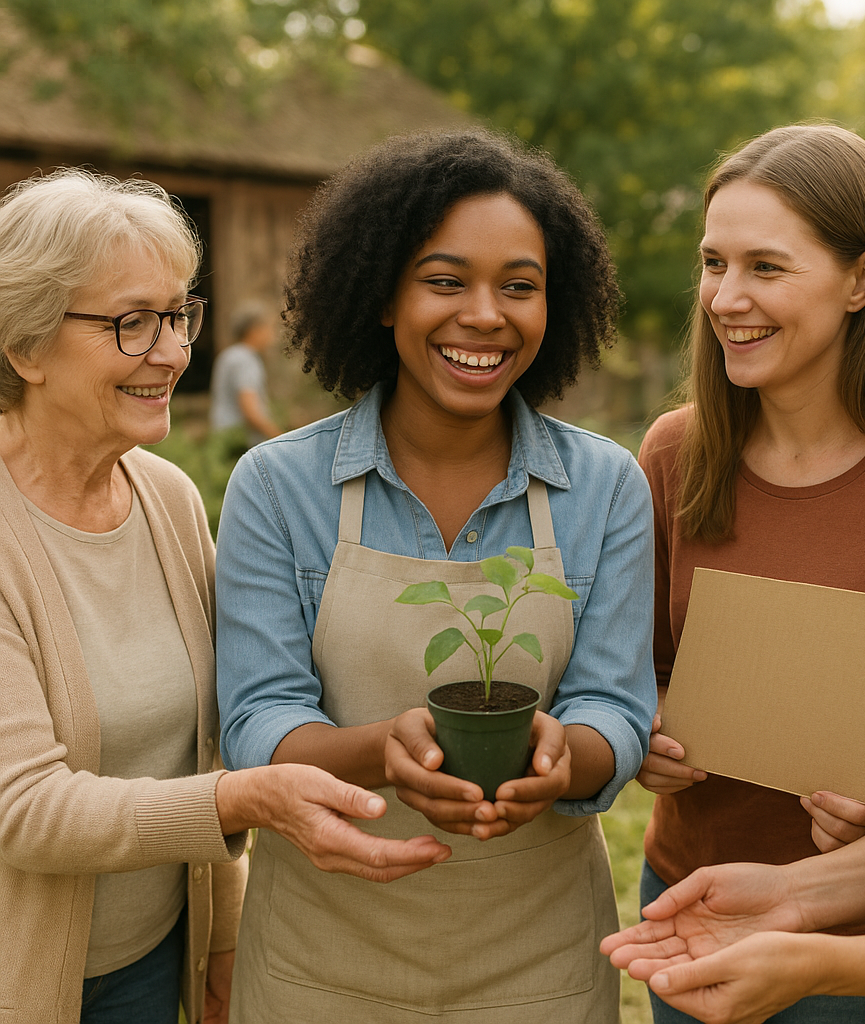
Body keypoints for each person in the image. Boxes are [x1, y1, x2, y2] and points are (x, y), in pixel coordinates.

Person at [602, 70, 865, 1024]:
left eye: (767, 266)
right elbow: (631, 664)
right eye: (713, 263)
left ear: (863, 280)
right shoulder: (675, 452)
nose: (726, 296)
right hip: (693, 896)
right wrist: (646, 725)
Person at [215, 129, 657, 1023]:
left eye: (519, 286)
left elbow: (616, 704)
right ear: (383, 295)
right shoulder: (278, 485)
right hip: (319, 964)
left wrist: (564, 758)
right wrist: (380, 749)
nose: (485, 315)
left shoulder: (606, 486)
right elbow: (257, 717)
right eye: (445, 281)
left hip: (539, 968)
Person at [0, 169, 451, 1024]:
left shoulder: (165, 498)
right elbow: (25, 810)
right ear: (24, 347)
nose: (173, 351)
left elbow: (206, 738)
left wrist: (222, 938)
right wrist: (246, 800)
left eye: (177, 315)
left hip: (152, 958)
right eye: (132, 323)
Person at [209, 300, 281, 450]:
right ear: (254, 330)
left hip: (225, 437)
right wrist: (279, 437)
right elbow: (250, 410)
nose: (272, 334)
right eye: (268, 328)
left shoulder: (229, 355)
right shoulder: (245, 359)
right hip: (239, 442)